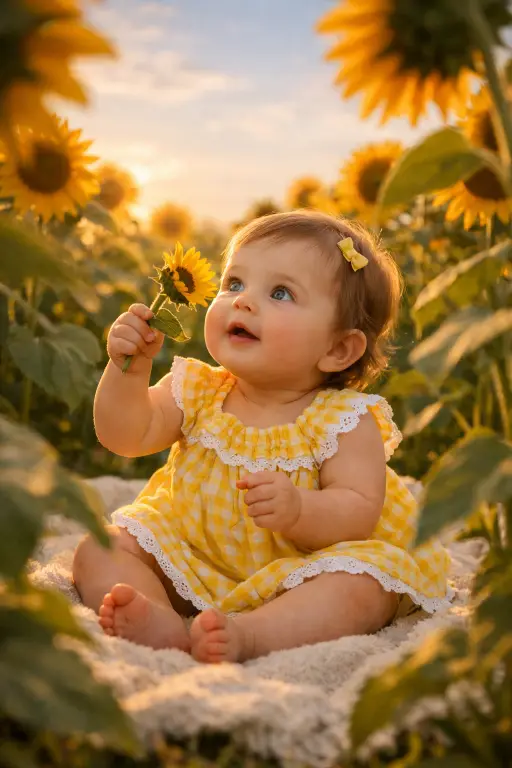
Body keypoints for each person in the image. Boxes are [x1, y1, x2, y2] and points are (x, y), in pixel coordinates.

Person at [73, 210, 452, 664]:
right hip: (193, 553)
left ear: (337, 349)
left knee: (363, 589)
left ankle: (249, 635)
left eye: (280, 293)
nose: (243, 302)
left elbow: (357, 511)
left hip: (303, 572)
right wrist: (127, 369)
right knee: (100, 544)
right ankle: (161, 621)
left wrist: (299, 509)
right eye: (233, 283)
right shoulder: (198, 391)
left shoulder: (343, 420)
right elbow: (126, 435)